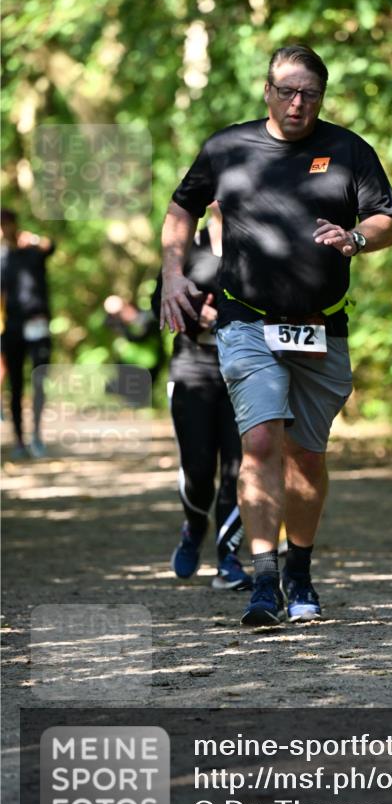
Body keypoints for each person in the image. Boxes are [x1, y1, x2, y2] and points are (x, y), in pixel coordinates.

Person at [160, 44, 392, 626]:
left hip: (322, 326)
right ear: (267, 91)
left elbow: (386, 220)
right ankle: (264, 582)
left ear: (322, 97)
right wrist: (172, 273)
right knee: (262, 441)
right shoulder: (228, 147)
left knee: (306, 457)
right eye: (287, 91)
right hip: (247, 321)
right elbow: (182, 207)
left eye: (310, 94)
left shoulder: (349, 150)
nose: (298, 103)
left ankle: (300, 571)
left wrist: (356, 238)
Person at [152, 202, 252, 591]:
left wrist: (228, 314)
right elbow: (158, 302)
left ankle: (229, 559)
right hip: (193, 369)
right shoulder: (186, 248)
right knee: (198, 470)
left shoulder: (257, 244)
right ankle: (194, 527)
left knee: (238, 468)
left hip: (246, 368)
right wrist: (197, 313)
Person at [0, 208, 55, 459]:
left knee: (39, 380)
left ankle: (37, 435)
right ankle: (19, 441)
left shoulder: (33, 251)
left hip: (37, 322)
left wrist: (31, 239)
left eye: (6, 224)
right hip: (12, 326)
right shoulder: (2, 258)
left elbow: (51, 246)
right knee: (16, 385)